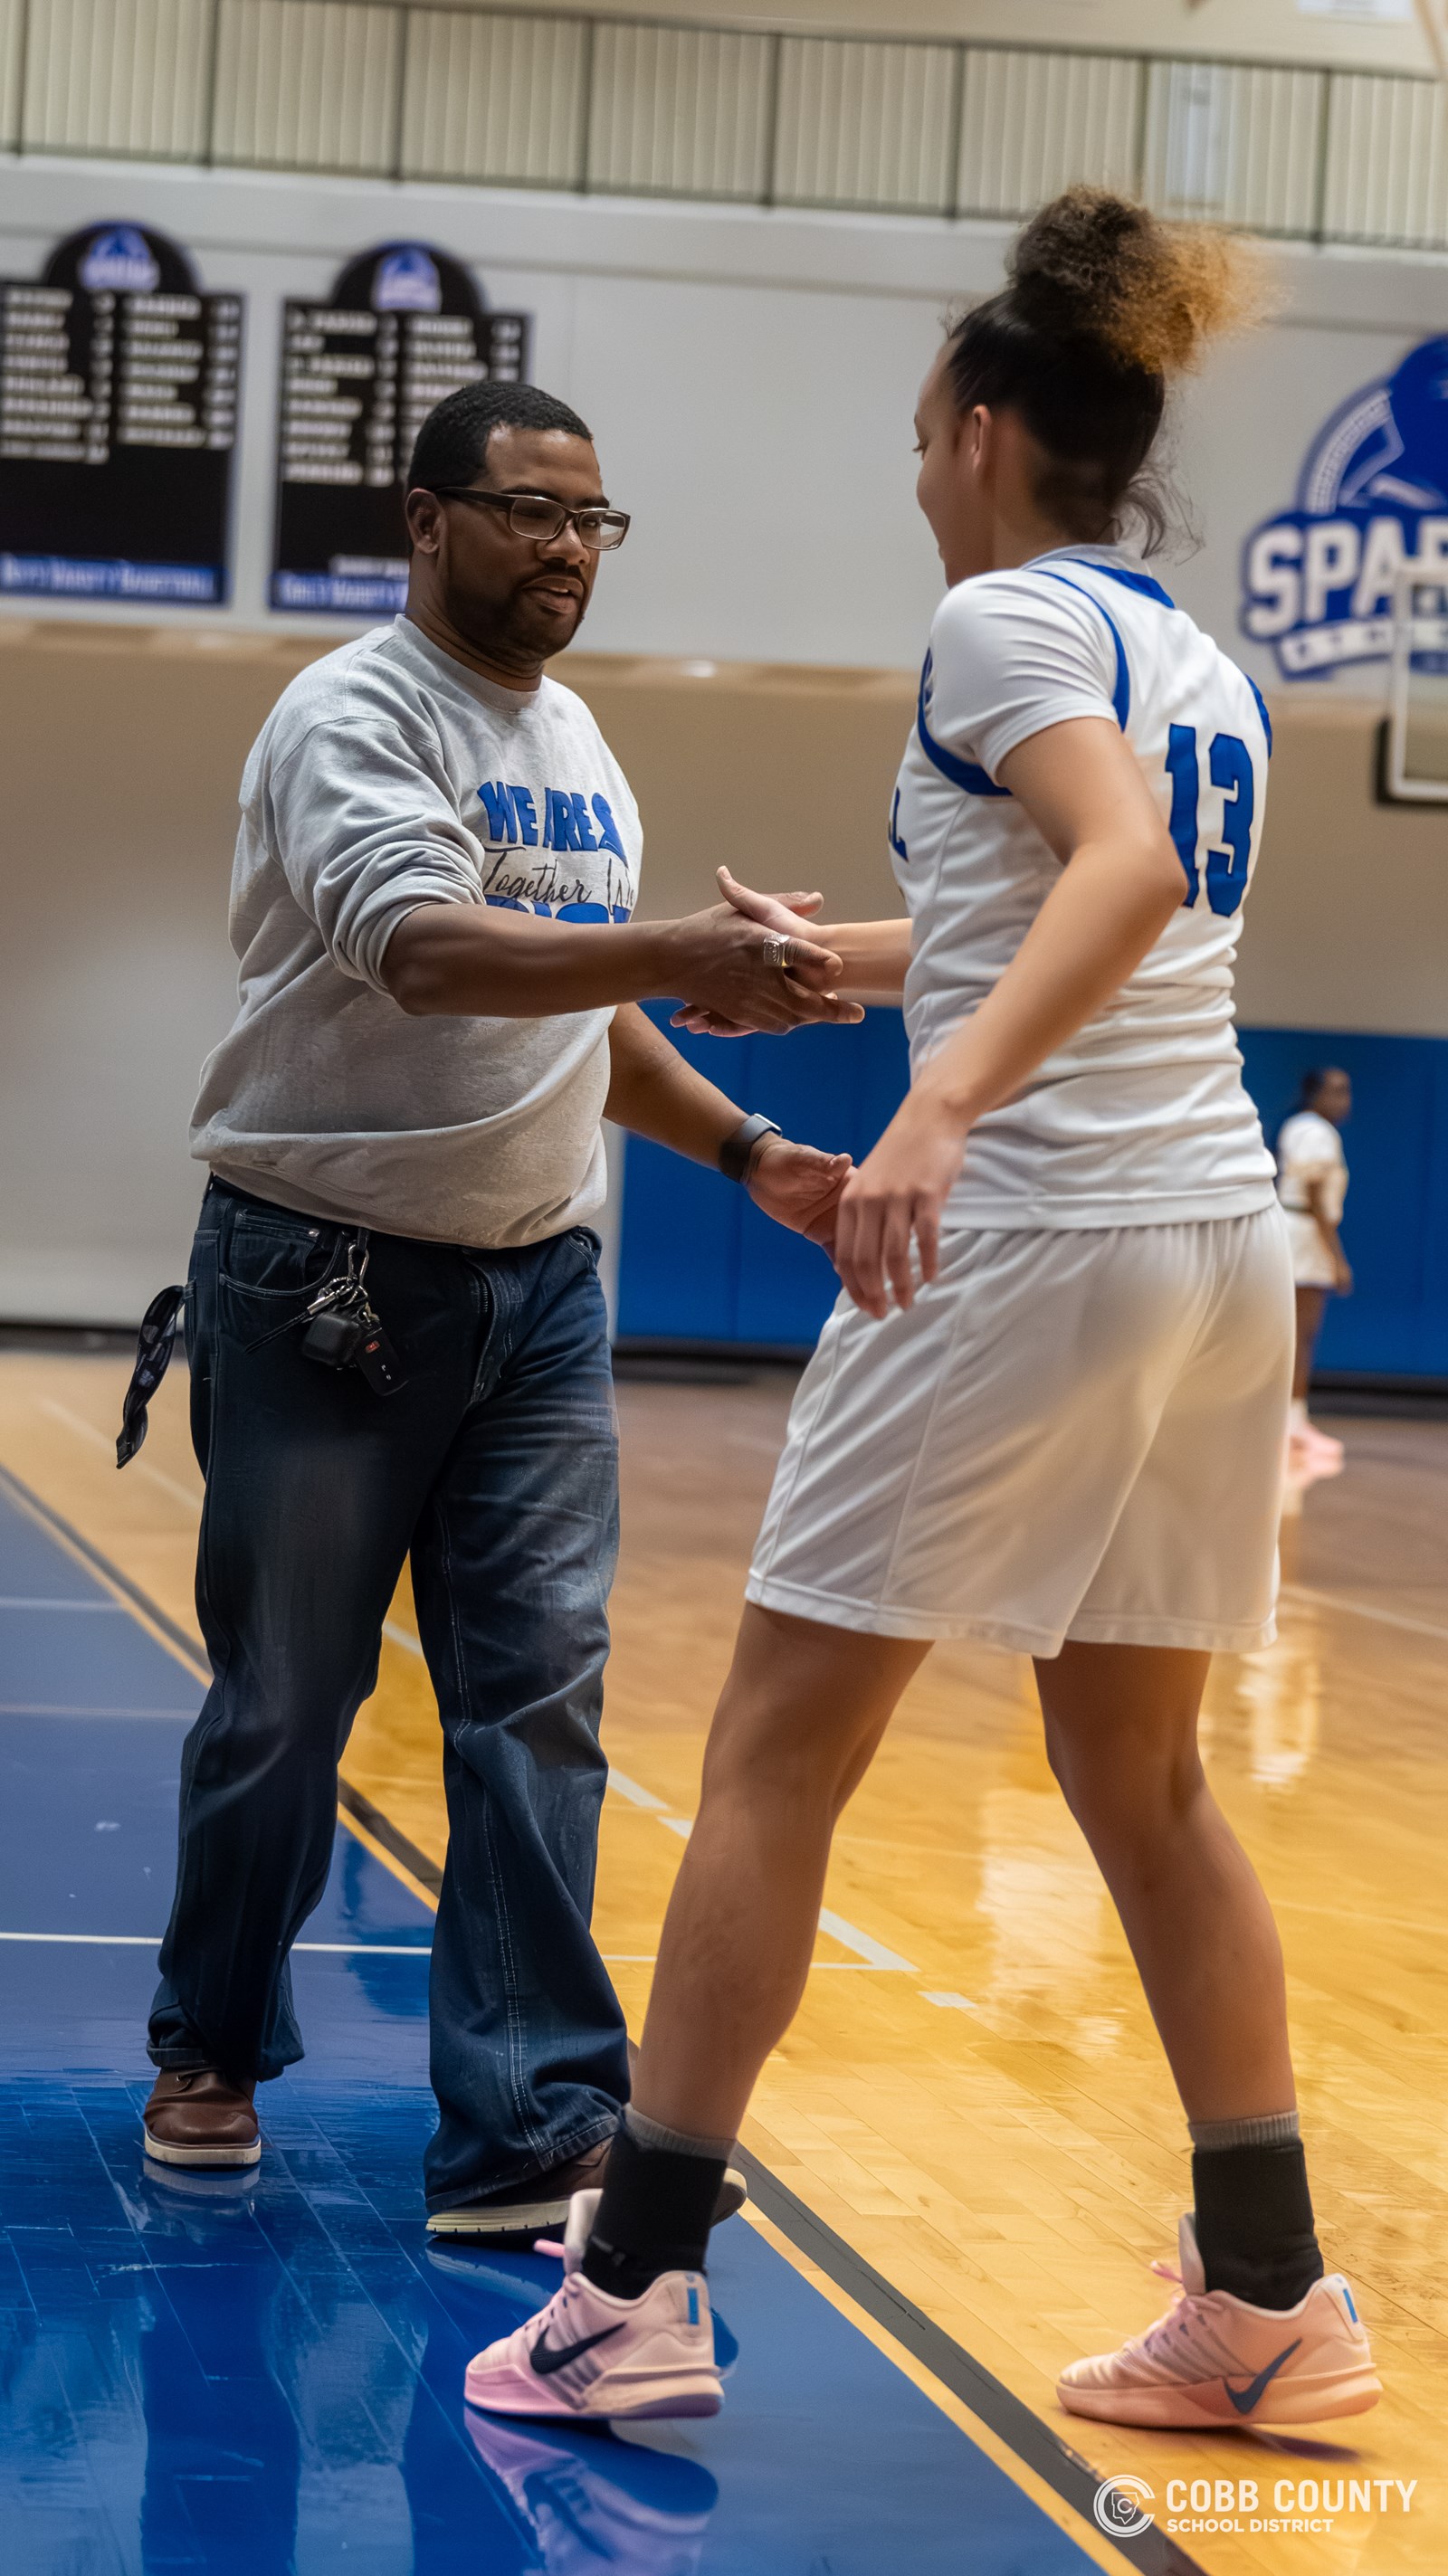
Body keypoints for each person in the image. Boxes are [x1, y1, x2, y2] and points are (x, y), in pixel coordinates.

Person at [463, 192, 1380, 2428]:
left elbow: (1116, 875)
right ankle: (1270, 2293)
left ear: (979, 429)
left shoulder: (993, 622)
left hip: (1033, 1234)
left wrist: (937, 1100)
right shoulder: (1189, 656)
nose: (908, 469)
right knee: (1138, 1771)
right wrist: (828, 967)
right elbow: (1084, 896)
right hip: (1199, 1243)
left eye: (911, 434)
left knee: (776, 1747)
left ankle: (634, 2282)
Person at [135, 378, 862, 2235]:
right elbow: (425, 949)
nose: (565, 547)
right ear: (425, 519)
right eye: (529, 509)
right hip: (325, 1276)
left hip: (539, 1289)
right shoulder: (354, 714)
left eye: (590, 519)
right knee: (288, 1703)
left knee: (538, 1703)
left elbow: (573, 1011)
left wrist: (749, 1150)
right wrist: (682, 946)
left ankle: (530, 2123)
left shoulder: (579, 739)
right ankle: (211, 2040)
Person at [1276, 1068, 1352, 1478]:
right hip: (1304, 1235)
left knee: (1292, 1335)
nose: (1344, 1100)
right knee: (1301, 1335)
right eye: (1336, 1091)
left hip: (1292, 1231)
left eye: (1347, 1092)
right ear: (1314, 1094)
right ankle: (1291, 1426)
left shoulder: (1296, 1126)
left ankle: (1292, 1421)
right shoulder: (1318, 1132)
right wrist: (1336, 1257)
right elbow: (1314, 1195)